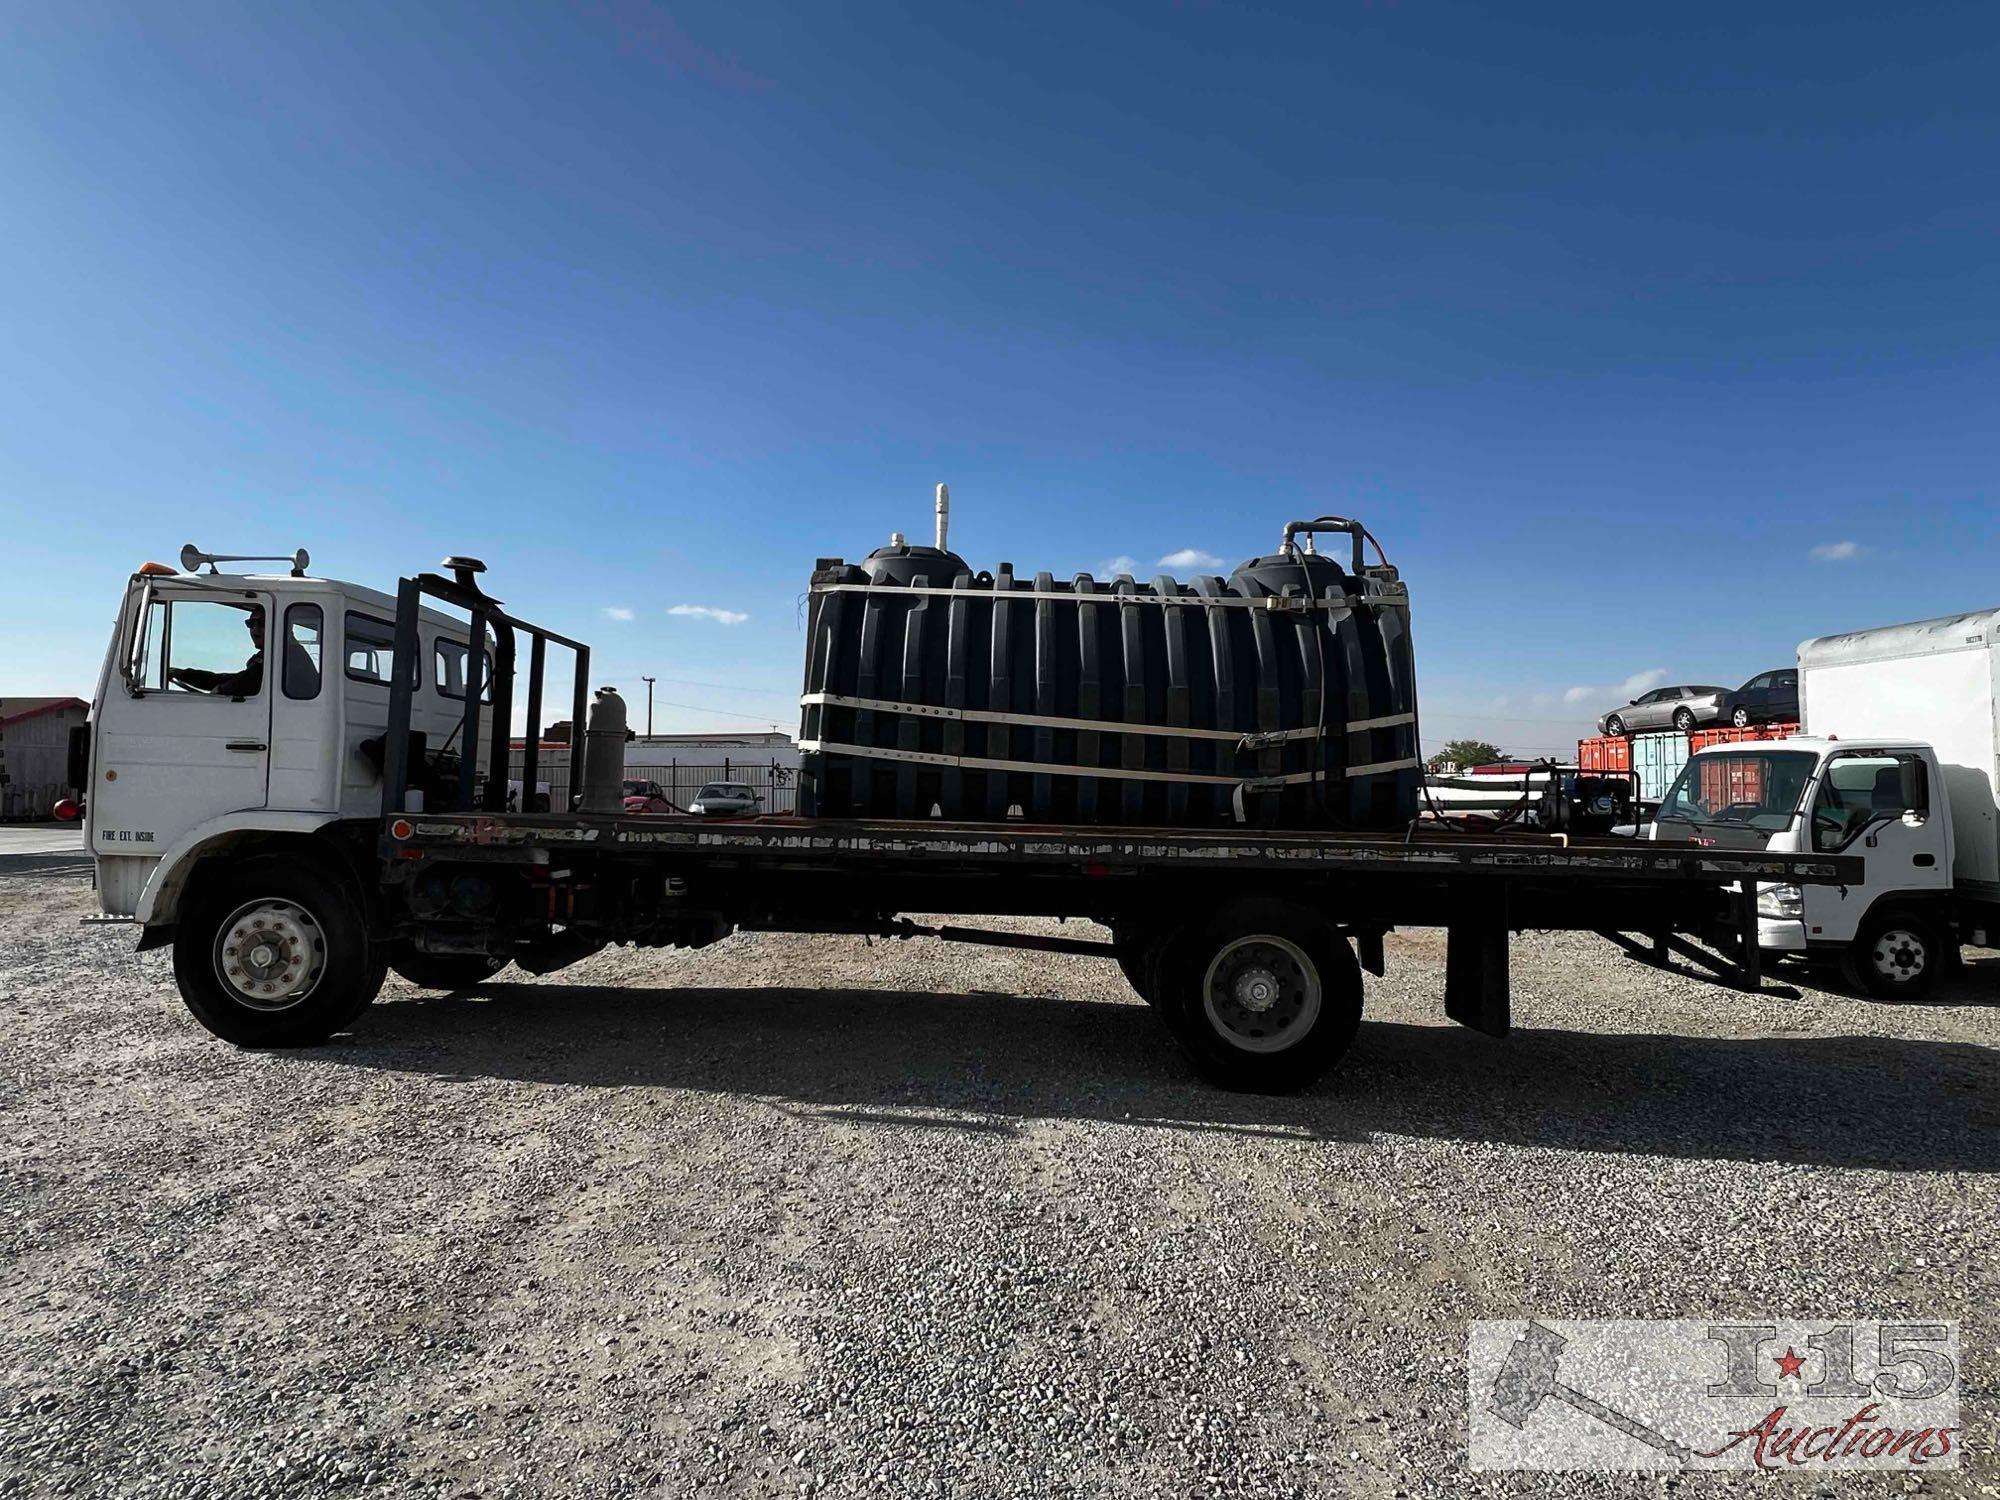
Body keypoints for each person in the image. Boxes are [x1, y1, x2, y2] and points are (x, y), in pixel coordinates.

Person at [169, 607, 320, 698]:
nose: (255, 629)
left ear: (284, 627)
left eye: (261, 623)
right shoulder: (274, 654)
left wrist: (220, 691)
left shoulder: (287, 656)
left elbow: (246, 680)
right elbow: (230, 679)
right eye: (250, 623)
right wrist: (183, 674)